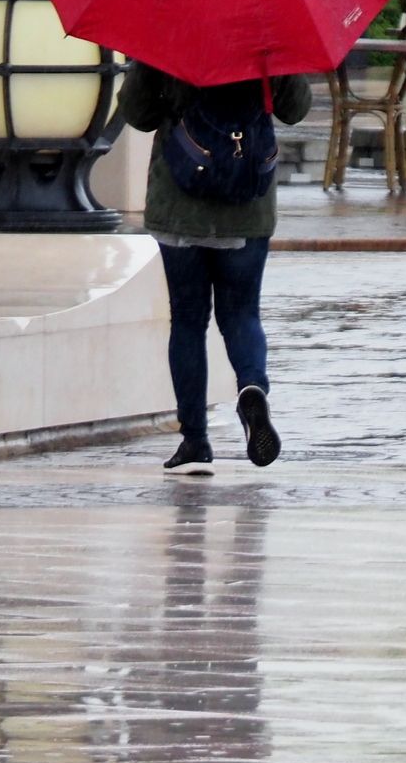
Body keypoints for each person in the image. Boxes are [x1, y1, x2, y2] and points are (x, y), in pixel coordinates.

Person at [119, 61, 311, 475]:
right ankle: (252, 386)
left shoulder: (168, 37)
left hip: (179, 201)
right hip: (247, 204)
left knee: (188, 321)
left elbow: (138, 113)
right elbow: (295, 109)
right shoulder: (269, 38)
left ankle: (194, 441)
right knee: (242, 314)